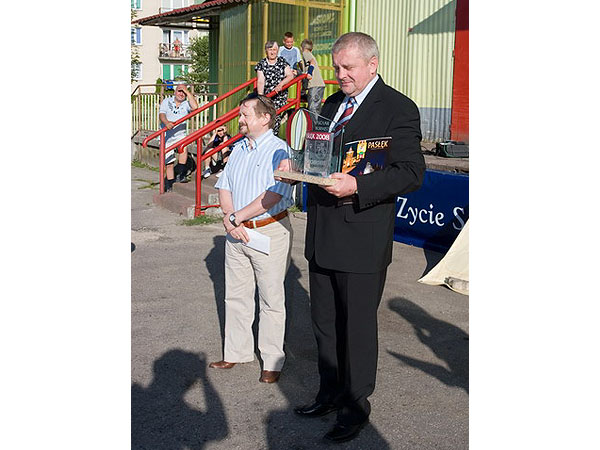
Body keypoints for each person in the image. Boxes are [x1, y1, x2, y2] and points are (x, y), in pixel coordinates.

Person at [280, 32, 426, 443]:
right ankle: (329, 392)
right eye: (337, 67)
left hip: (362, 237)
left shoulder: (397, 108)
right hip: (324, 231)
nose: (340, 75)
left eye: (349, 68)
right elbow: (320, 157)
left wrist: (359, 188)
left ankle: (355, 407)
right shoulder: (330, 104)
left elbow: (411, 173)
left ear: (372, 64)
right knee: (324, 323)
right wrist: (299, 165)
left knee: (357, 328)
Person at [209, 94, 294, 385]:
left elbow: (274, 196)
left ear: (264, 118)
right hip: (238, 233)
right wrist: (230, 217)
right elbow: (225, 185)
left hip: (268, 229)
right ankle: (237, 351)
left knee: (271, 298)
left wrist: (236, 218)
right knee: (236, 295)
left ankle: (271, 360)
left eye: (245, 114)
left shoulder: (280, 151)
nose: (240, 119)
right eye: (241, 114)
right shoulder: (239, 148)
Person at [158, 83, 199, 191]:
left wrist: (187, 92)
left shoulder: (186, 104)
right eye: (179, 91)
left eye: (183, 92)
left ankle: (181, 174)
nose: (181, 94)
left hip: (180, 135)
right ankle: (170, 184)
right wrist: (166, 122)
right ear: (175, 92)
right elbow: (162, 114)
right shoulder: (167, 101)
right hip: (167, 136)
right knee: (169, 163)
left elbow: (195, 107)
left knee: (183, 149)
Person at [255, 41, 294, 135]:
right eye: (270, 50)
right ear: (266, 51)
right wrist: (261, 97)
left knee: (274, 117)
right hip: (267, 96)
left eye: (274, 50)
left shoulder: (282, 62)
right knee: (264, 118)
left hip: (279, 96)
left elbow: (290, 75)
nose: (272, 52)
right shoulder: (262, 64)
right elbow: (260, 80)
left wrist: (281, 84)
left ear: (277, 51)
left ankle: (272, 137)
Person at [300, 39, 325, 115]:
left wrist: (309, 73)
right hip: (318, 85)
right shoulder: (310, 54)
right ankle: (314, 125)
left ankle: (314, 126)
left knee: (313, 109)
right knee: (315, 108)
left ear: (302, 48)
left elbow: (312, 62)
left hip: (315, 85)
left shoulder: (305, 53)